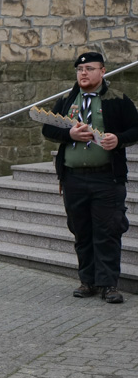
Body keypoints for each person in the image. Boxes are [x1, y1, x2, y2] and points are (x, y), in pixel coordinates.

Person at [42, 52, 138, 304]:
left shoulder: (117, 99)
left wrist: (119, 139)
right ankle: (87, 281)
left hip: (106, 179)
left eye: (89, 68)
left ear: (103, 71)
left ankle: (108, 285)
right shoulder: (66, 99)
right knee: (81, 231)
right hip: (73, 178)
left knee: (107, 232)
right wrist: (69, 135)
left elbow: (136, 128)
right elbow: (48, 128)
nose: (83, 73)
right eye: (79, 69)